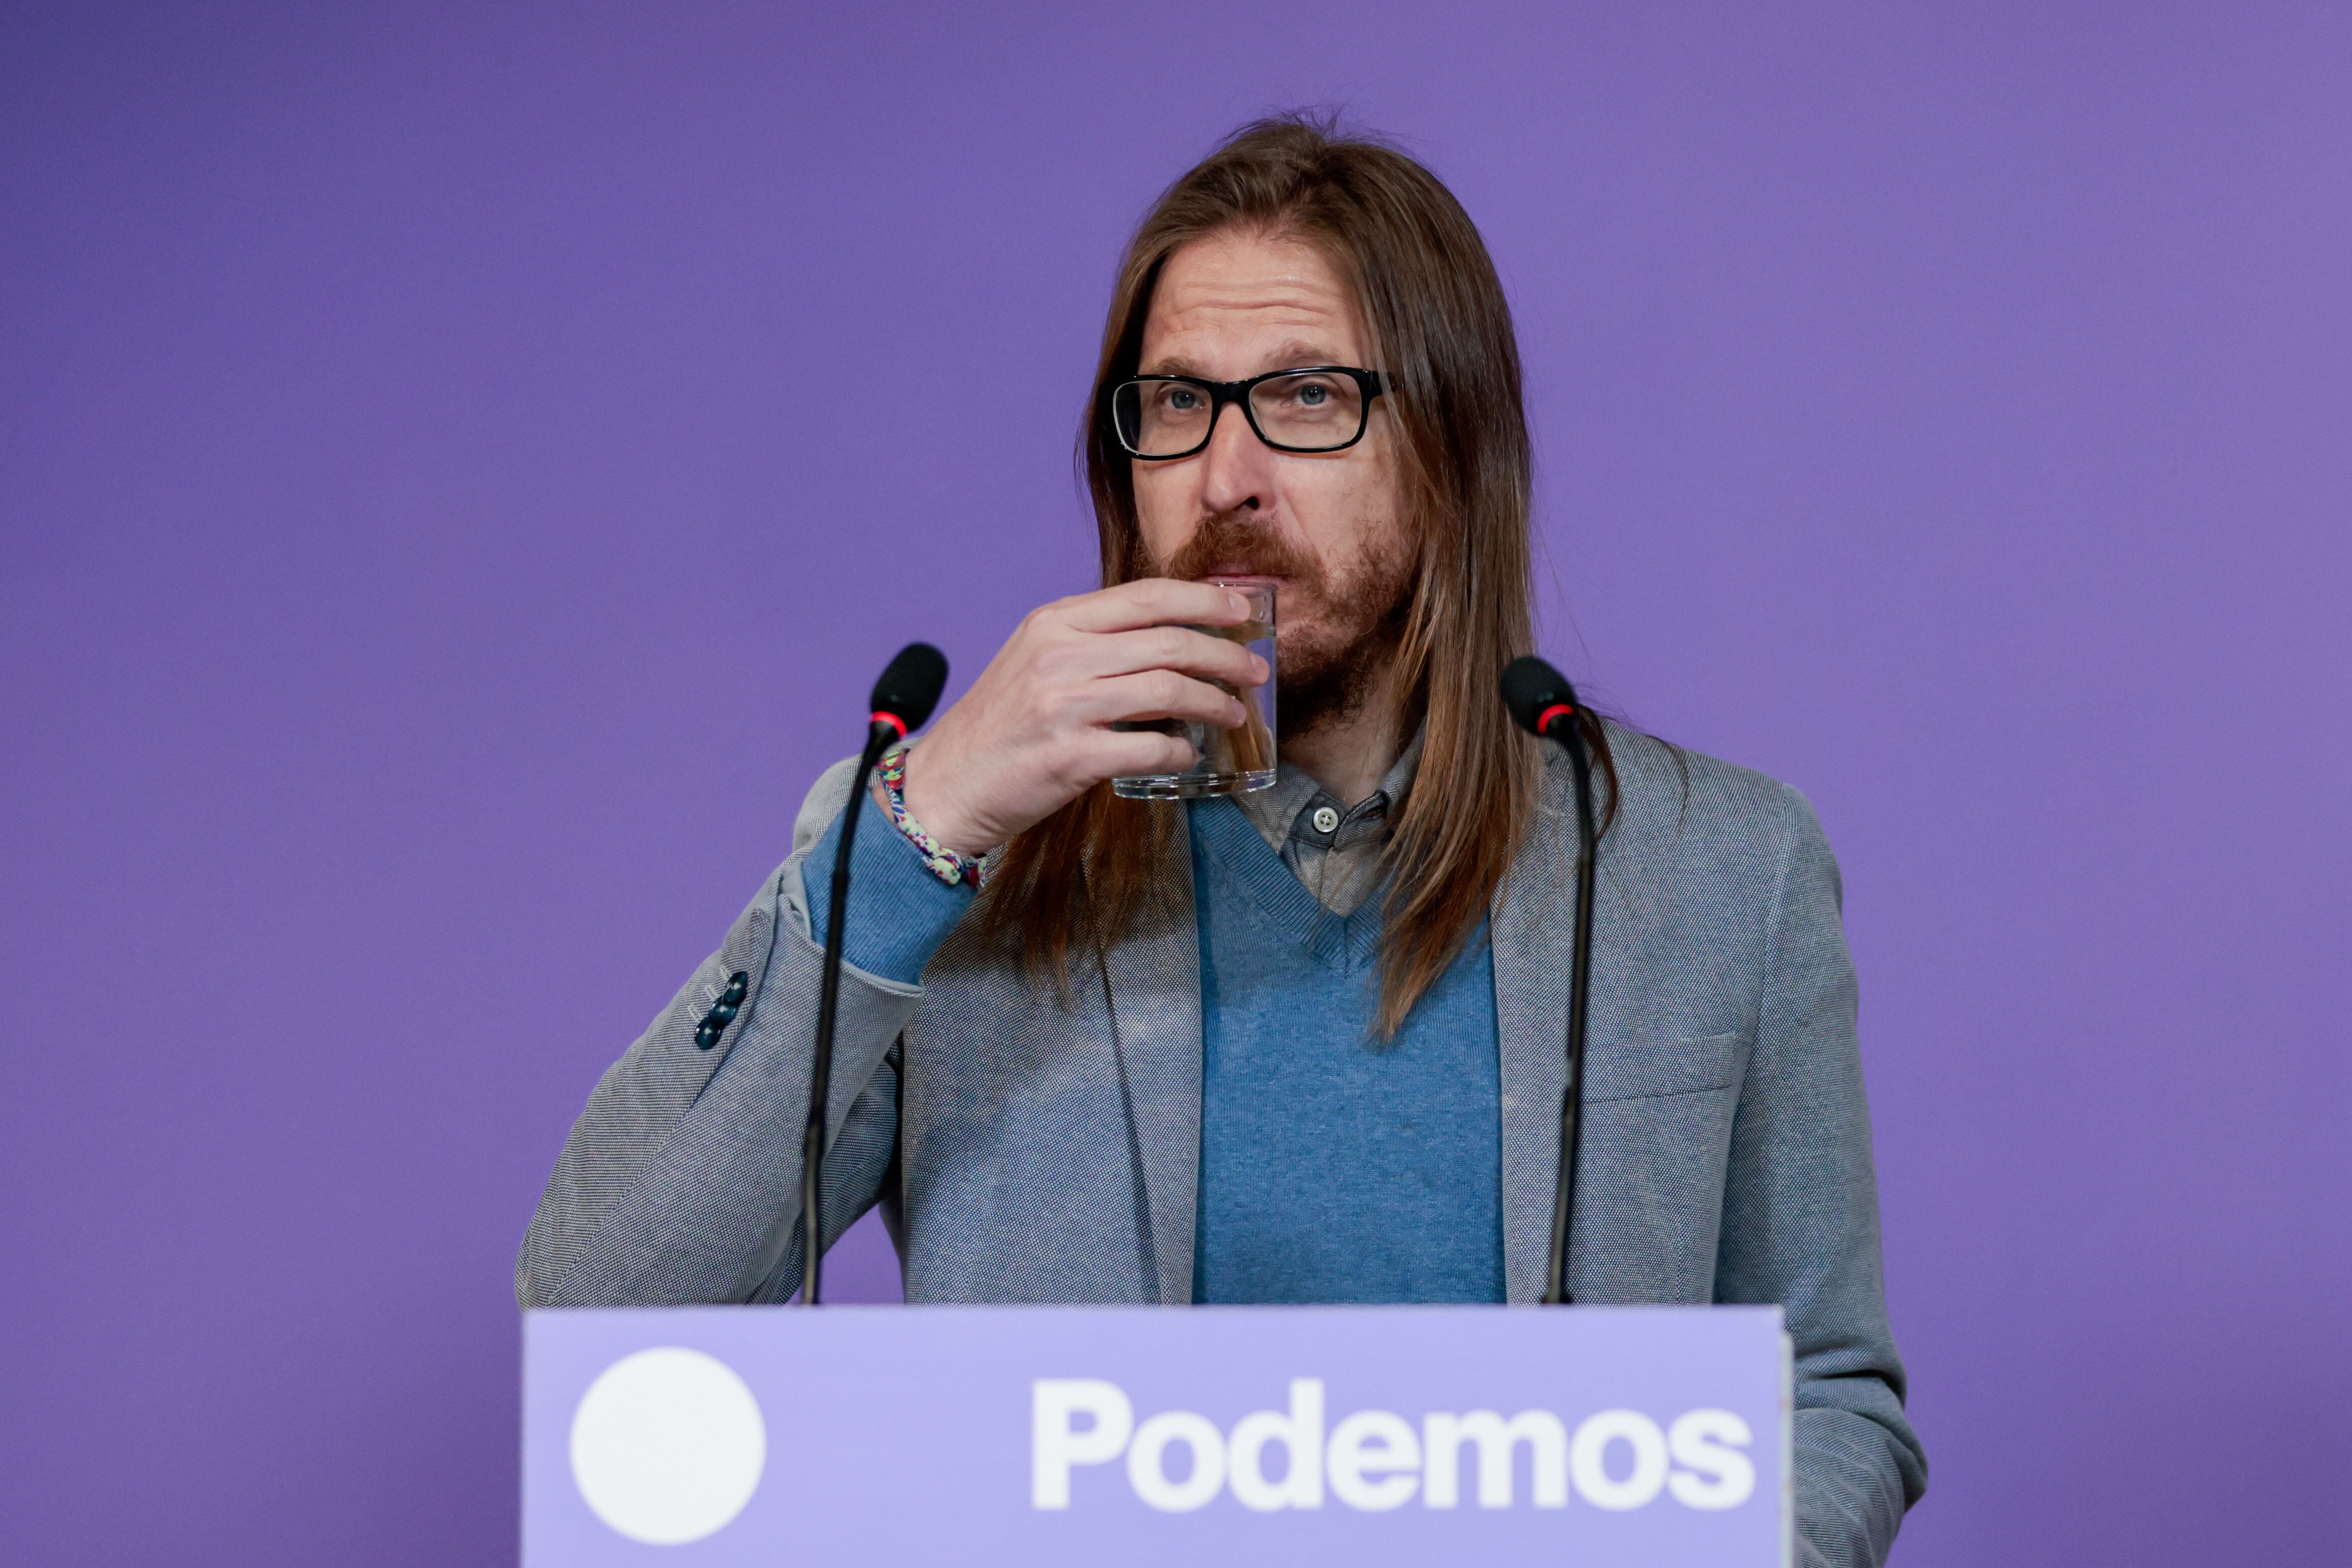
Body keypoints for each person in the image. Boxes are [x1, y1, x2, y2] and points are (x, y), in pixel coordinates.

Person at [518, 115, 1926, 1566]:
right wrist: (919, 827)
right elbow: (602, 1322)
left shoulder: (1721, 870)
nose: (1228, 477)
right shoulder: (942, 858)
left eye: (1307, 397)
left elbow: (1825, 1395)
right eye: (1176, 403)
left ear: (1450, 447)